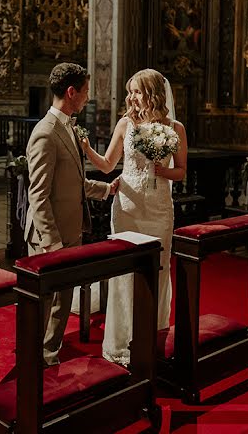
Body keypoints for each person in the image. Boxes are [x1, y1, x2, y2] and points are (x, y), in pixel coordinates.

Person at [81, 69, 188, 366]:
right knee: (125, 274)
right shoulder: (125, 124)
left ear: (153, 93)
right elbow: (106, 165)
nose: (131, 97)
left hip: (159, 209)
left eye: (137, 91)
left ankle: (152, 338)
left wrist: (161, 170)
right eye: (130, 91)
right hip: (126, 208)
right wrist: (87, 148)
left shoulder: (175, 128)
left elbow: (181, 171)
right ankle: (122, 343)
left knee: (159, 271)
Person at [24, 62, 117, 366]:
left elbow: (73, 184)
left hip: (70, 231)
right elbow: (38, 194)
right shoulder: (46, 133)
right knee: (46, 302)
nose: (88, 98)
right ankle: (33, 360)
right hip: (50, 238)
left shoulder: (69, 128)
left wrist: (106, 190)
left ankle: (49, 356)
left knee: (63, 300)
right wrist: (51, 242)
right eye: (86, 92)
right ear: (71, 92)